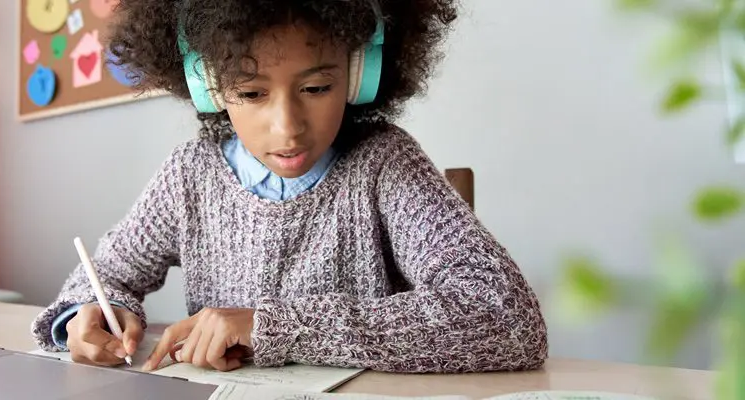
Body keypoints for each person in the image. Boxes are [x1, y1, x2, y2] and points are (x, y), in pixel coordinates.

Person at [30, 0, 548, 374]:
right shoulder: (191, 173)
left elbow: (507, 317)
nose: (288, 127)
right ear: (209, 88)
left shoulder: (384, 164)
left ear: (360, 73)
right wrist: (89, 312)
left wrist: (275, 325)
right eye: (252, 92)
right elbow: (107, 274)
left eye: (317, 88)